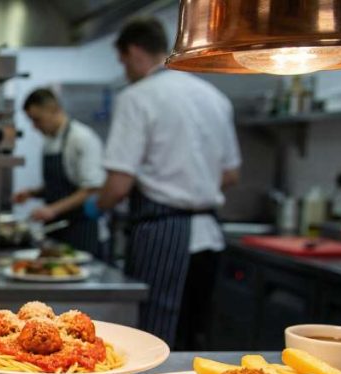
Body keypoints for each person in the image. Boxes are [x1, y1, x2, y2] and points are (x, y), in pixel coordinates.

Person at [88, 18, 241, 347]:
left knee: (156, 334)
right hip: (210, 238)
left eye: (124, 61)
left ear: (134, 51)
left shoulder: (137, 97)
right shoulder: (215, 98)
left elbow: (118, 185)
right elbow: (230, 175)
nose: (126, 69)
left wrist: (97, 206)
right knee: (195, 333)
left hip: (162, 233)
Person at [15, 88, 107, 256]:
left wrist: (52, 210)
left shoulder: (82, 138)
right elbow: (59, 184)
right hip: (56, 229)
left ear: (54, 109)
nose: (34, 127)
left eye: (37, 120)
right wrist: (32, 193)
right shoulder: (50, 140)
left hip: (81, 229)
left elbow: (91, 189)